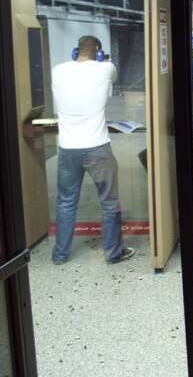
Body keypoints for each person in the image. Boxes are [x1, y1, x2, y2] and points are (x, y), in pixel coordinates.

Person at [51, 36, 134, 265]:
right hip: (97, 147)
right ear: (98, 53)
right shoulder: (106, 68)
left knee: (66, 202)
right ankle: (113, 253)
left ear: (75, 50)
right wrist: (102, 60)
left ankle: (60, 255)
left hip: (67, 148)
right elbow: (112, 76)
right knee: (109, 201)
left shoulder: (58, 70)